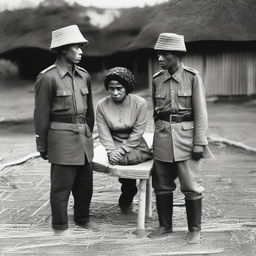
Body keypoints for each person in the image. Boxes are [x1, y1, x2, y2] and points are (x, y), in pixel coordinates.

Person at [147, 33, 211, 243]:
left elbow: (201, 112)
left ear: (176, 55)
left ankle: (194, 229)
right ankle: (165, 226)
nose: (160, 59)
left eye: (164, 55)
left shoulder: (192, 77)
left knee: (191, 186)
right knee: (162, 185)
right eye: (158, 54)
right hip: (163, 138)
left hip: (186, 139)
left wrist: (199, 141)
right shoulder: (157, 79)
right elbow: (156, 112)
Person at [34, 25, 94, 233]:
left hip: (83, 140)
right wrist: (42, 144)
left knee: (85, 187)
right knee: (61, 189)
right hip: (61, 140)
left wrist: (88, 134)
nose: (81, 51)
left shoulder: (84, 75)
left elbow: (90, 111)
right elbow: (41, 114)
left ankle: (83, 220)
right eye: (76, 47)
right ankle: (60, 226)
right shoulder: (47, 77)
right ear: (62, 49)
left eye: (80, 47)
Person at [96, 67, 153, 214]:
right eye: (111, 88)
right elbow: (104, 133)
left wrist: (121, 152)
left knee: (127, 161)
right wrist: (111, 151)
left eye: (119, 88)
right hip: (114, 144)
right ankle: (127, 195)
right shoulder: (101, 105)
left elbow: (138, 132)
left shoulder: (139, 103)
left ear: (126, 88)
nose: (115, 93)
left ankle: (133, 194)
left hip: (135, 144)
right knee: (124, 175)